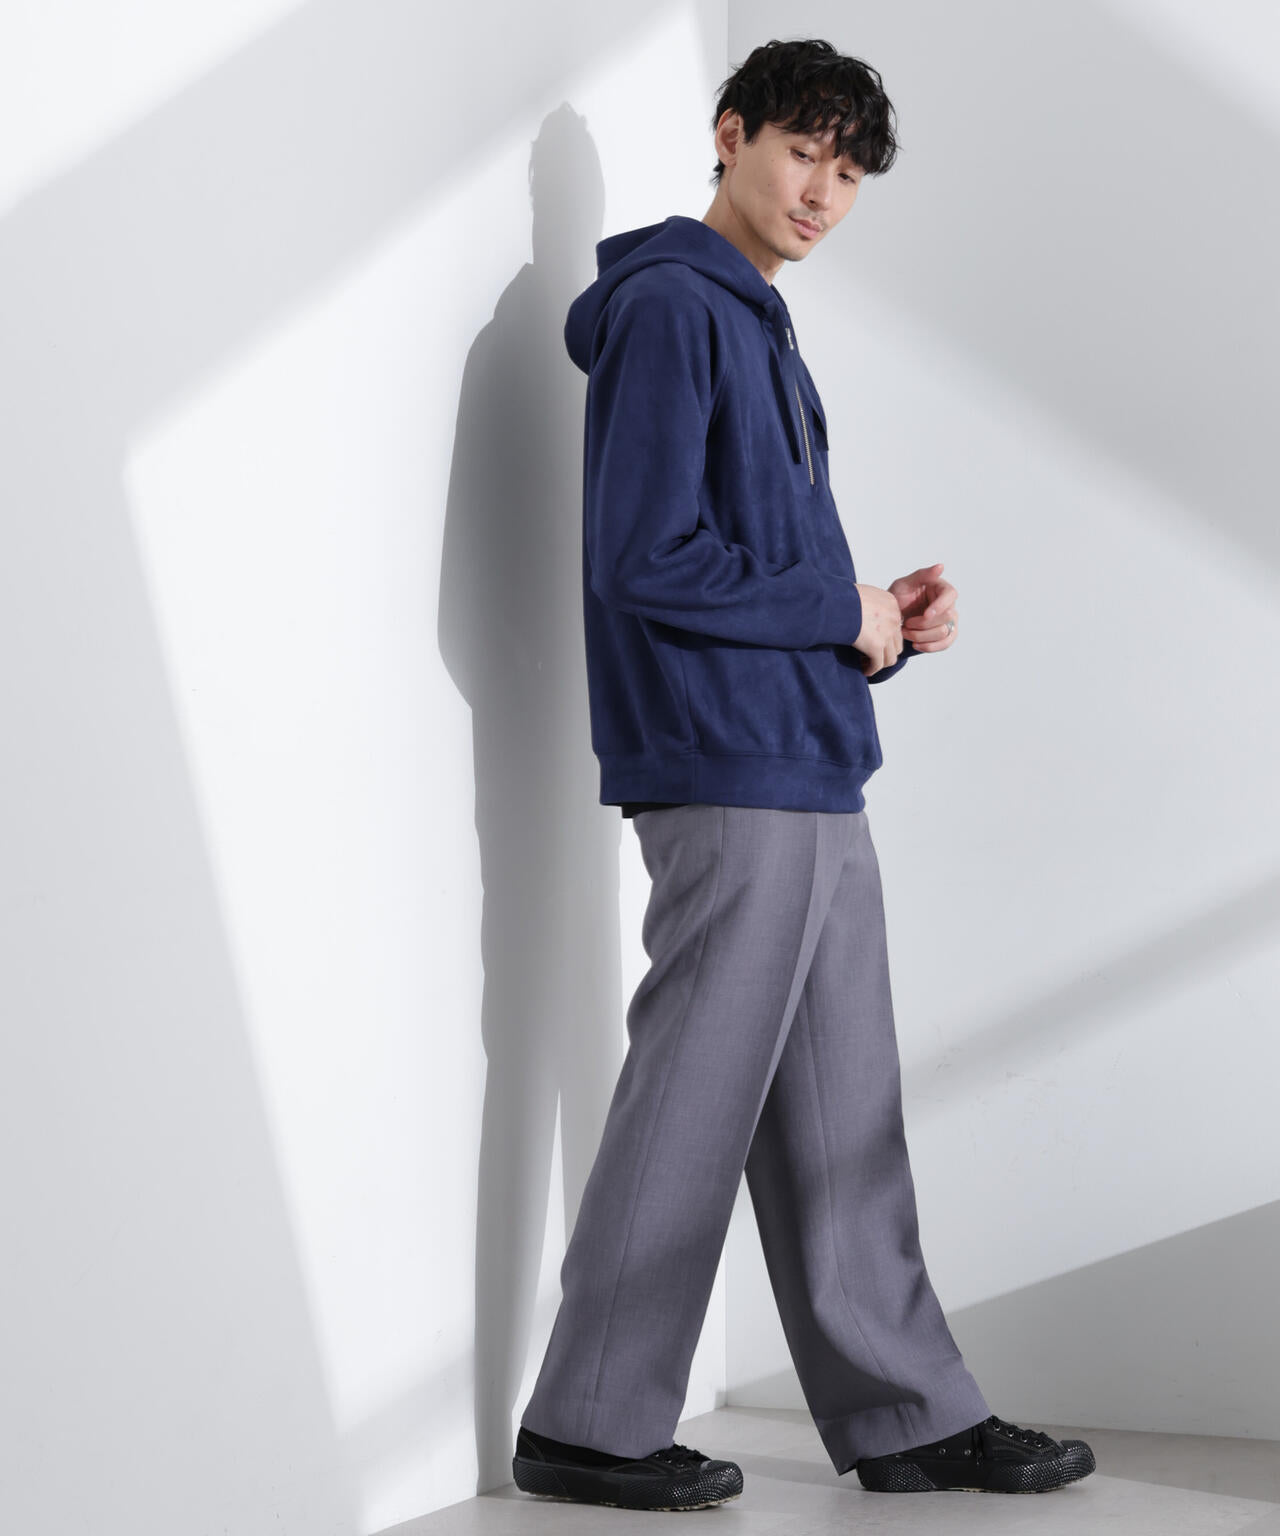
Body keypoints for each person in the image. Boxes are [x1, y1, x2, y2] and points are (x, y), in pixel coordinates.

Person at [512, 37, 1096, 1512]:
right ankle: (589, 1423)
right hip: (726, 768)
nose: (822, 191)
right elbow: (645, 556)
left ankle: (907, 1414)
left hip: (808, 757)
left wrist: (877, 625)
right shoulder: (672, 306)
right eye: (800, 152)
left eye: (848, 172)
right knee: (693, 1097)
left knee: (846, 1121)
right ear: (731, 134)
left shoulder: (756, 320)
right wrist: (840, 609)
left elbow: (748, 567)